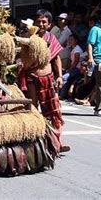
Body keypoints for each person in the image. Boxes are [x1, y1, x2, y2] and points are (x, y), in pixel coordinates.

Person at [32, 9, 70, 152]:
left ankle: (58, 143)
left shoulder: (51, 38)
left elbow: (56, 58)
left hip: (48, 79)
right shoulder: (29, 38)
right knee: (33, 110)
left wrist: (59, 76)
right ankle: (35, 143)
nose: (41, 24)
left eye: (44, 22)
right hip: (31, 79)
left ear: (49, 25)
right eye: (39, 21)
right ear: (34, 22)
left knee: (54, 112)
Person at [60, 34, 83, 100]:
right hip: (74, 68)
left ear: (76, 40)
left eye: (71, 40)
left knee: (64, 78)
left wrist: (69, 70)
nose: (70, 41)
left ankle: (62, 95)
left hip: (77, 69)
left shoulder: (77, 50)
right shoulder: (73, 49)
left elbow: (76, 62)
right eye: (69, 40)